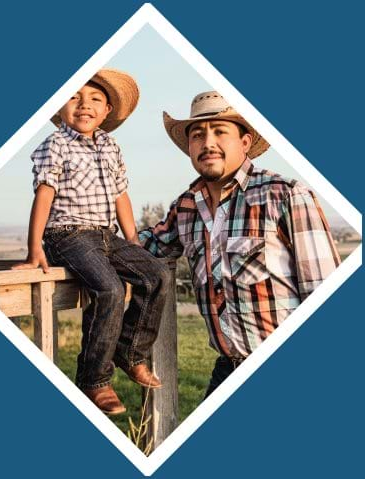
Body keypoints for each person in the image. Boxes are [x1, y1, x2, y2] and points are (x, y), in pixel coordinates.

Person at [141, 91, 339, 396]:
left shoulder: (284, 195)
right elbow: (144, 248)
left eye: (220, 131)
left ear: (245, 143)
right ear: (190, 147)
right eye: (197, 134)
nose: (208, 143)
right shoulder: (185, 208)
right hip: (226, 370)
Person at [12, 68, 167, 415]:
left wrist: (132, 239)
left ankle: (130, 351)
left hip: (107, 235)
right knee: (109, 289)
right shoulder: (56, 144)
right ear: (60, 107)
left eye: (95, 98)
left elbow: (121, 195)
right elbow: (44, 196)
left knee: (157, 274)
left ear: (108, 109)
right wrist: (35, 247)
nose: (85, 105)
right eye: (74, 97)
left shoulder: (111, 145)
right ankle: (94, 379)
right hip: (66, 234)